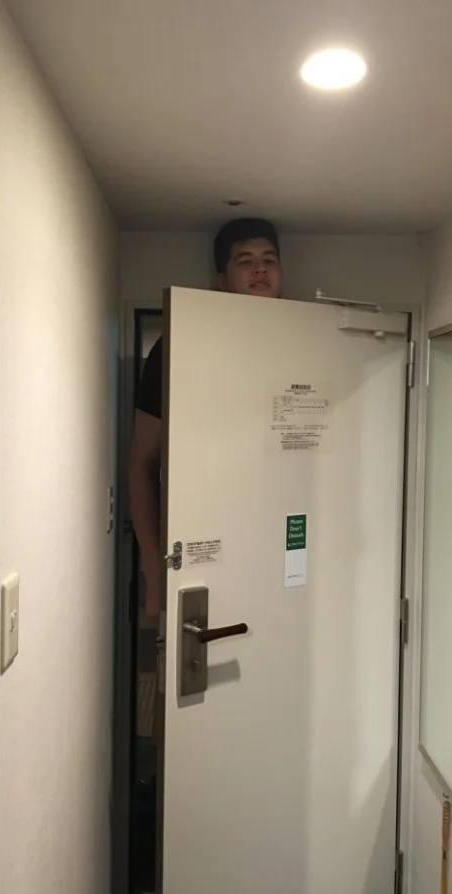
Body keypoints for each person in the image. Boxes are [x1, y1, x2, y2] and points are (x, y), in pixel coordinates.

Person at [129, 218, 283, 623]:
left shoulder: (306, 345)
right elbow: (141, 464)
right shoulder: (178, 344)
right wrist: (153, 574)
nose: (260, 269)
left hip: (278, 549)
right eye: (245, 261)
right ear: (222, 280)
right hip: (201, 545)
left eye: (269, 259)